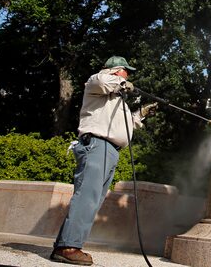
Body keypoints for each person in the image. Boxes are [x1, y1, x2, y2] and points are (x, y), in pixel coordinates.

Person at [50, 56, 157, 266]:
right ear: (117, 70)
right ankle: (68, 247)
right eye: (126, 71)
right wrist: (122, 84)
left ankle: (68, 244)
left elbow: (122, 126)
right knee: (87, 196)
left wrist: (141, 115)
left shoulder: (116, 99)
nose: (128, 75)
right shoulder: (97, 82)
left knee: (94, 199)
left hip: (110, 150)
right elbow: (100, 81)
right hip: (96, 145)